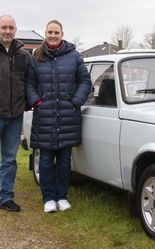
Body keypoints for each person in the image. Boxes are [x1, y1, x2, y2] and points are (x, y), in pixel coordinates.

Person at [26, 20, 91, 213]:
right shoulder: (36, 57)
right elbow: (29, 84)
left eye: (56, 32)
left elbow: (85, 81)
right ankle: (48, 198)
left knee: (64, 160)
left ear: (62, 34)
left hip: (67, 116)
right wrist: (37, 101)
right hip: (44, 117)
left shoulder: (74, 56)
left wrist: (76, 100)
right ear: (45, 34)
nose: (53, 35)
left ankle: (61, 197)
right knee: (45, 161)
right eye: (50, 32)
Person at [0, 15, 31, 212]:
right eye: (4, 27)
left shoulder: (23, 55)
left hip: (14, 116)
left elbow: (31, 81)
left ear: (15, 30)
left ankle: (5, 197)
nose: (7, 31)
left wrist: (28, 103)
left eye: (11, 27)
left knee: (9, 159)